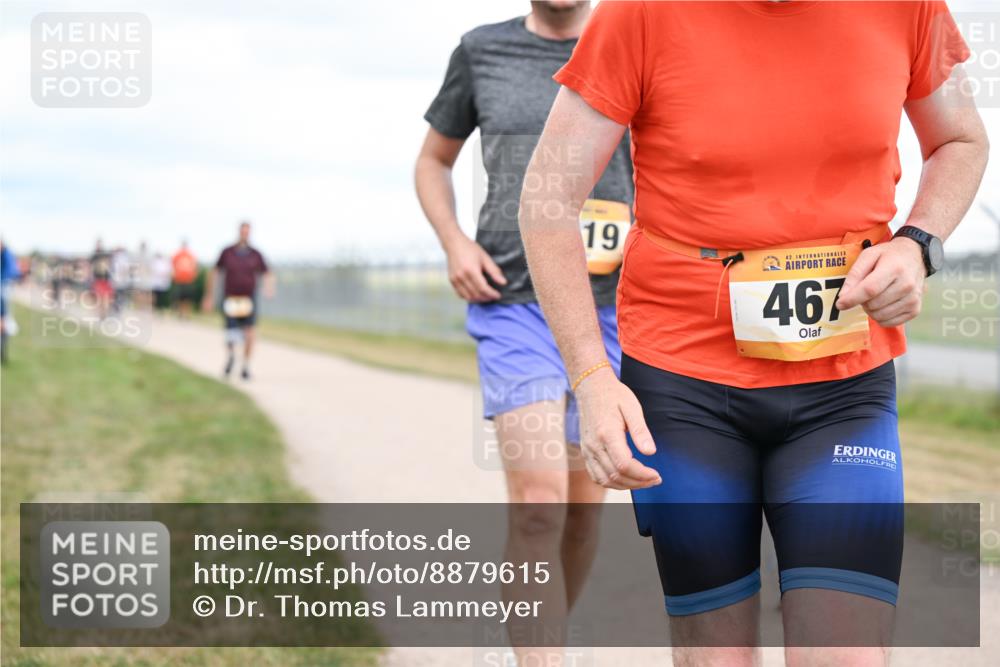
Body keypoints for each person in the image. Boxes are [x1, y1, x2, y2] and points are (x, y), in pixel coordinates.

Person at [518, 1, 988, 665]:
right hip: (684, 390)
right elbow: (547, 199)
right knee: (718, 654)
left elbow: (961, 139)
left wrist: (918, 243)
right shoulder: (639, 14)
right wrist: (592, 377)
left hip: (842, 389)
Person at [414, 0, 633, 657]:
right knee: (539, 504)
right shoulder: (482, 50)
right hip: (515, 300)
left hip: (613, 306)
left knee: (580, 511)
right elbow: (432, 161)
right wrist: (454, 242)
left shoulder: (635, 37)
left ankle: (542, 634)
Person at [202, 221, 274, 380]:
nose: (245, 234)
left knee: (250, 331)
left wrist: (268, 288)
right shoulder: (227, 252)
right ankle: (231, 356)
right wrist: (209, 295)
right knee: (231, 333)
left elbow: (267, 272)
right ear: (239, 232)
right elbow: (214, 272)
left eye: (247, 232)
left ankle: (246, 365)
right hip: (231, 298)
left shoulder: (256, 254)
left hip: (249, 298)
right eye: (243, 231)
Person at [1, 239, 22, 365]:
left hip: (3, 291)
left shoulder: (7, 255)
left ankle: (3, 353)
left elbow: (13, 272)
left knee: (4, 323)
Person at [171, 240, 199, 319]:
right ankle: (180, 313)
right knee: (179, 298)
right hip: (179, 280)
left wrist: (194, 276)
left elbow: (195, 266)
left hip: (188, 280)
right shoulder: (177, 255)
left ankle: (186, 314)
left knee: (187, 299)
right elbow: (173, 265)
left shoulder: (191, 255)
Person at [89, 239, 114, 320]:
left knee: (105, 298)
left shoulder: (105, 254)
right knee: (99, 298)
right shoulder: (94, 255)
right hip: (98, 280)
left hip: (106, 280)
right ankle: (101, 314)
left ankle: (104, 314)